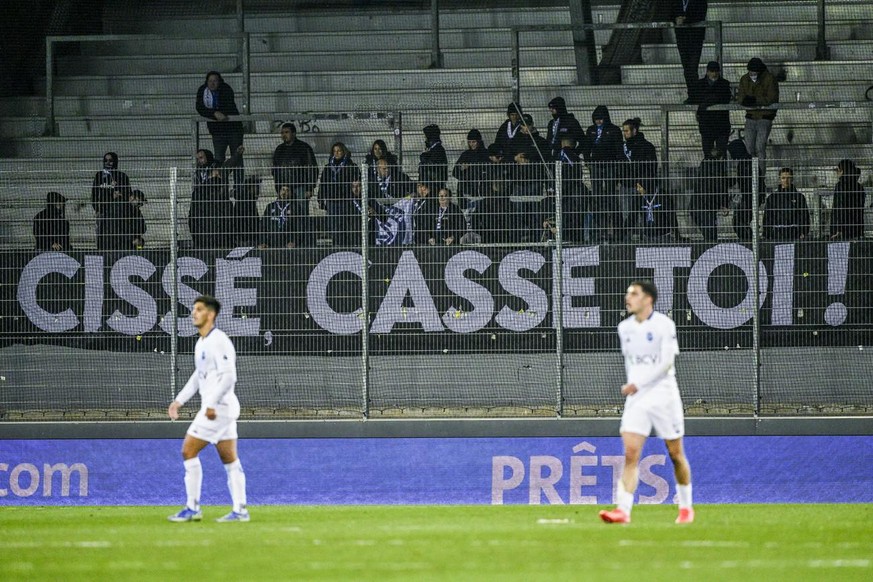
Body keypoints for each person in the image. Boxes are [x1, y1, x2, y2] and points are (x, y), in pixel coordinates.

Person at [599, 280, 694, 525]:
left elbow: (666, 364)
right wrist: (635, 387)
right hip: (637, 399)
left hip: (664, 395)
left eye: (634, 294)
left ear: (648, 299)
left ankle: (685, 507)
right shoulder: (624, 328)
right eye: (627, 293)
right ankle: (623, 510)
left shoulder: (665, 325)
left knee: (675, 454)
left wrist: (638, 383)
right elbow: (634, 364)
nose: (628, 298)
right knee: (631, 454)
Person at [168, 295, 249, 523]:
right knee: (229, 458)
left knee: (188, 450)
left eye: (199, 309)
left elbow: (229, 376)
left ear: (210, 314)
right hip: (220, 408)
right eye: (194, 309)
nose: (194, 313)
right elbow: (198, 376)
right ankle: (240, 509)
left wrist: (211, 404)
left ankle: (192, 507)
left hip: (219, 408)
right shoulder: (201, 342)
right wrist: (179, 401)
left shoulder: (219, 340)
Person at [581, 105, 624, 243]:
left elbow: (618, 148)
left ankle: (615, 230)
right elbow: (586, 145)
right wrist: (588, 160)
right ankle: (600, 230)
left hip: (610, 165)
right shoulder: (591, 130)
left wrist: (618, 165)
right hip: (596, 166)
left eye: (600, 119)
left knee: (611, 196)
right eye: (596, 119)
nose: (598, 122)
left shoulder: (614, 130)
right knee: (597, 196)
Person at [271, 122, 319, 244]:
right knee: (285, 216)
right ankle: (287, 241)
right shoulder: (279, 150)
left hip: (300, 187)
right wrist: (279, 188)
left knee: (301, 216)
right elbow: (275, 170)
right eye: (282, 133)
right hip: (285, 188)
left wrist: (309, 187)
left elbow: (311, 168)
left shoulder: (303, 147)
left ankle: (305, 242)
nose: (283, 135)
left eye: (286, 132)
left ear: (293, 133)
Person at [195, 71, 244, 185]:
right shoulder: (202, 91)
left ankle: (239, 187)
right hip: (217, 132)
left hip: (233, 130)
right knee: (218, 160)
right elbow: (200, 108)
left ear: (219, 81)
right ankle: (220, 185)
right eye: (210, 81)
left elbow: (227, 106)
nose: (212, 83)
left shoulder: (226, 89)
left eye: (215, 81)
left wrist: (217, 113)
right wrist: (214, 113)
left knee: (237, 158)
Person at [189, 147, 242, 250]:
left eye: (202, 157)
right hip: (205, 207)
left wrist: (237, 155)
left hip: (219, 205)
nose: (200, 160)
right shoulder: (198, 171)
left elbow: (229, 164)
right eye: (198, 159)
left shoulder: (217, 166)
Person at [737, 57, 779, 183]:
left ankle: (760, 176)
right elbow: (740, 96)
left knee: (760, 147)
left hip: (764, 118)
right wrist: (745, 101)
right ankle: (749, 175)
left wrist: (754, 100)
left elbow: (771, 98)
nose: (752, 75)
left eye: (754, 72)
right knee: (749, 148)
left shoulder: (769, 79)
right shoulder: (744, 79)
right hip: (750, 117)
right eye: (750, 72)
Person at [620, 118, 660, 239]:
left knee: (643, 213)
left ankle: (647, 238)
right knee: (628, 213)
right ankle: (626, 238)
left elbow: (651, 167)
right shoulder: (623, 147)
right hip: (627, 185)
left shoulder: (646, 147)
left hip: (642, 186)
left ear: (634, 131)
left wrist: (643, 183)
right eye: (624, 131)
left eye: (627, 131)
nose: (624, 134)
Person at [318, 142, 361, 246]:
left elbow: (357, 183)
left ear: (344, 151)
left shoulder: (351, 166)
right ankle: (337, 247)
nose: (336, 153)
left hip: (346, 201)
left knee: (347, 226)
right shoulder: (328, 167)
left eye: (339, 151)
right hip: (332, 201)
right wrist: (320, 199)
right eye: (334, 151)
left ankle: (349, 248)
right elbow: (323, 184)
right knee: (335, 227)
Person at [692, 61, 732, 159]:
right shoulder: (700, 84)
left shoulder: (725, 84)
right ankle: (710, 173)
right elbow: (697, 98)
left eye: (716, 71)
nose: (714, 74)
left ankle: (721, 174)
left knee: (721, 154)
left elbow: (724, 98)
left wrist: (704, 105)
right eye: (712, 71)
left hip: (721, 126)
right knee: (707, 154)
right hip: (707, 126)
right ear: (707, 72)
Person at [91, 152, 131, 251]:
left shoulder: (122, 176)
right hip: (103, 212)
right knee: (102, 236)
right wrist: (97, 209)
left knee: (117, 236)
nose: (108, 163)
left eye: (110, 160)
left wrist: (119, 194)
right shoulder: (99, 175)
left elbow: (128, 193)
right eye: (106, 160)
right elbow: (94, 194)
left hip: (118, 213)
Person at [671, 0, 708, 102]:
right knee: (687, 69)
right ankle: (692, 95)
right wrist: (675, 19)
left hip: (696, 38)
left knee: (692, 68)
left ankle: (695, 95)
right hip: (681, 38)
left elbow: (701, 14)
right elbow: (669, 13)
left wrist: (685, 20)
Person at [763, 168, 810, 241]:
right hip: (777, 235)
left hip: (795, 234)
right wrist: (767, 234)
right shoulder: (772, 198)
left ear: (792, 179)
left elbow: (804, 215)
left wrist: (804, 232)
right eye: (783, 178)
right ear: (780, 179)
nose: (786, 180)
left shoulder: (799, 197)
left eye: (788, 178)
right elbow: (767, 217)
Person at [452, 129, 491, 209]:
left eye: (474, 142)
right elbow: (454, 172)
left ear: (478, 141)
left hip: (482, 188)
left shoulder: (486, 153)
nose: (471, 144)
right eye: (469, 142)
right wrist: (462, 169)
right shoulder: (465, 154)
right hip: (467, 189)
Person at [831, 159, 867, 240]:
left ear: (843, 171)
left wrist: (837, 228)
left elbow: (839, 208)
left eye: (838, 170)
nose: (837, 173)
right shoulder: (859, 187)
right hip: (857, 227)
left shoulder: (840, 186)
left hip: (843, 229)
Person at [258, 184, 300, 249]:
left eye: (287, 190)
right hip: (270, 242)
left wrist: (294, 242)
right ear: (279, 191)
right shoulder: (270, 206)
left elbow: (299, 227)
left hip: (287, 243)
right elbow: (263, 225)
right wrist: (263, 242)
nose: (284, 192)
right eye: (283, 189)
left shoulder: (296, 207)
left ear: (291, 193)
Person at [545, 97, 583, 161]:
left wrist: (574, 153)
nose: (551, 110)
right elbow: (549, 139)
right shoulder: (551, 123)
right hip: (553, 156)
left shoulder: (571, 122)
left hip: (567, 158)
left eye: (553, 108)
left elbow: (583, 140)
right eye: (550, 108)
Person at [418, 124, 448, 195]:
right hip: (430, 183)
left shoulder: (438, 149)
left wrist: (424, 156)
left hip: (434, 184)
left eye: (425, 136)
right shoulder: (432, 149)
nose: (425, 138)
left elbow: (432, 165)